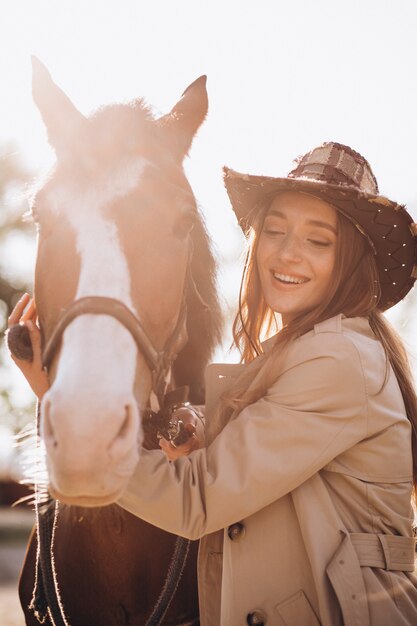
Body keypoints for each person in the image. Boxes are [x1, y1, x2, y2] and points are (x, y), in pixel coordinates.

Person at [9, 142, 417, 626]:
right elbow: (265, 437)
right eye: (275, 230)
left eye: (318, 241)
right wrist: (200, 422)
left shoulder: (338, 359)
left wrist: (56, 399)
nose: (287, 254)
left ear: (350, 260)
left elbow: (198, 500)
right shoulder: (304, 353)